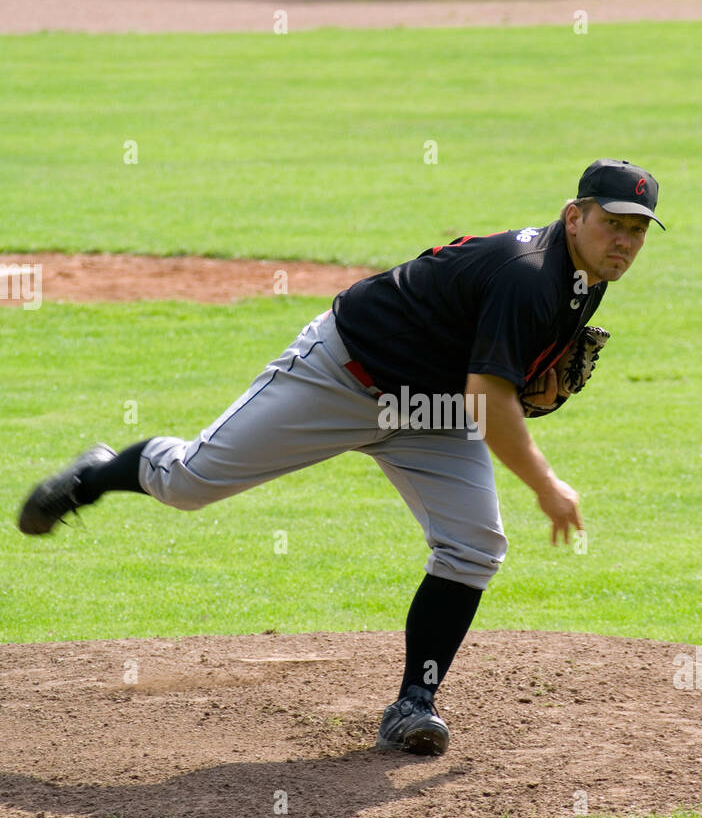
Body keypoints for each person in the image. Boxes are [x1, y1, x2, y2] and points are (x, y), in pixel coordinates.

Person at [18, 159, 665, 757]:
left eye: (637, 230)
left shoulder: (587, 274)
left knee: (473, 546)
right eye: (612, 223)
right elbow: (489, 400)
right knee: (188, 482)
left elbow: (483, 384)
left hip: (429, 411)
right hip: (340, 376)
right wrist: (546, 484)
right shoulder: (527, 274)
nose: (624, 242)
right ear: (572, 216)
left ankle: (414, 702)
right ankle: (96, 473)